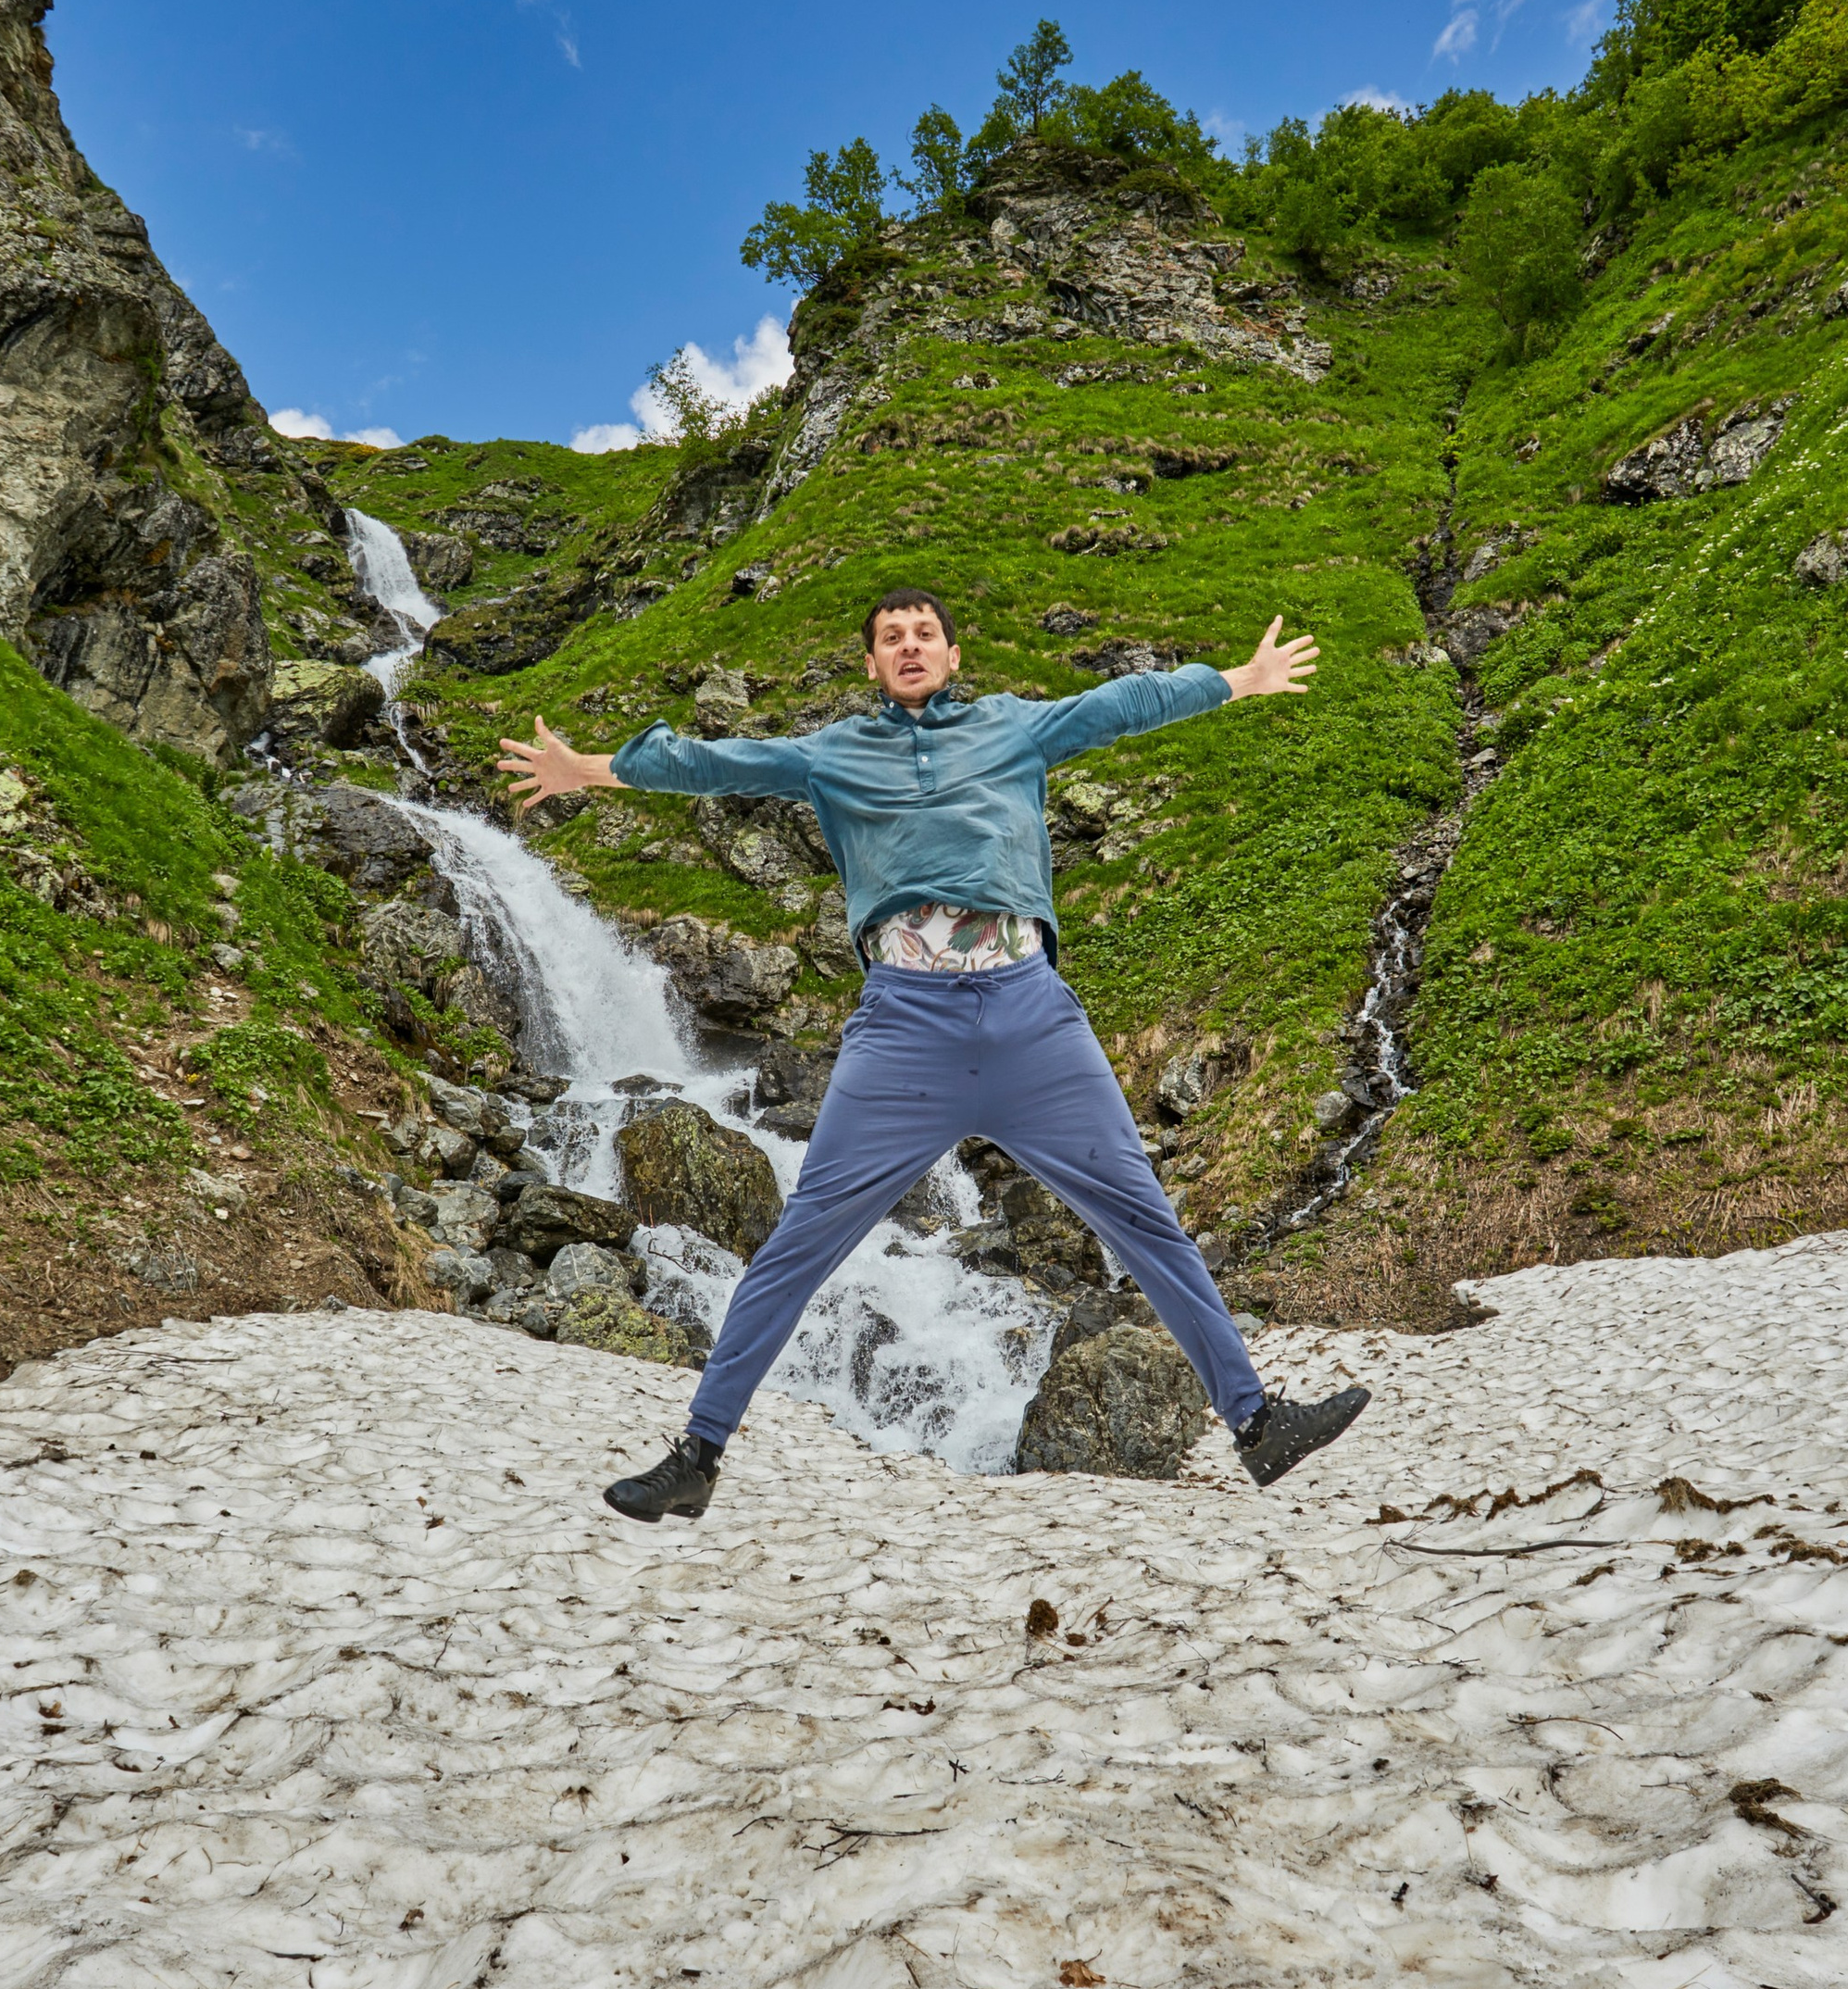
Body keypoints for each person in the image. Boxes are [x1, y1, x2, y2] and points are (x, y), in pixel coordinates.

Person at [496, 588, 1370, 1521]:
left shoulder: (1013, 729)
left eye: (924, 635)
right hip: (904, 1030)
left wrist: (1238, 680)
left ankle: (1256, 1424)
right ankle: (698, 1454)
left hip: (1033, 1021)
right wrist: (588, 768)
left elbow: (1123, 704)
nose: (908, 647)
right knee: (799, 1244)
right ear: (871, 665)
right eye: (889, 638)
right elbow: (714, 764)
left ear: (953, 655)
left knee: (1144, 1221)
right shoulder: (834, 755)